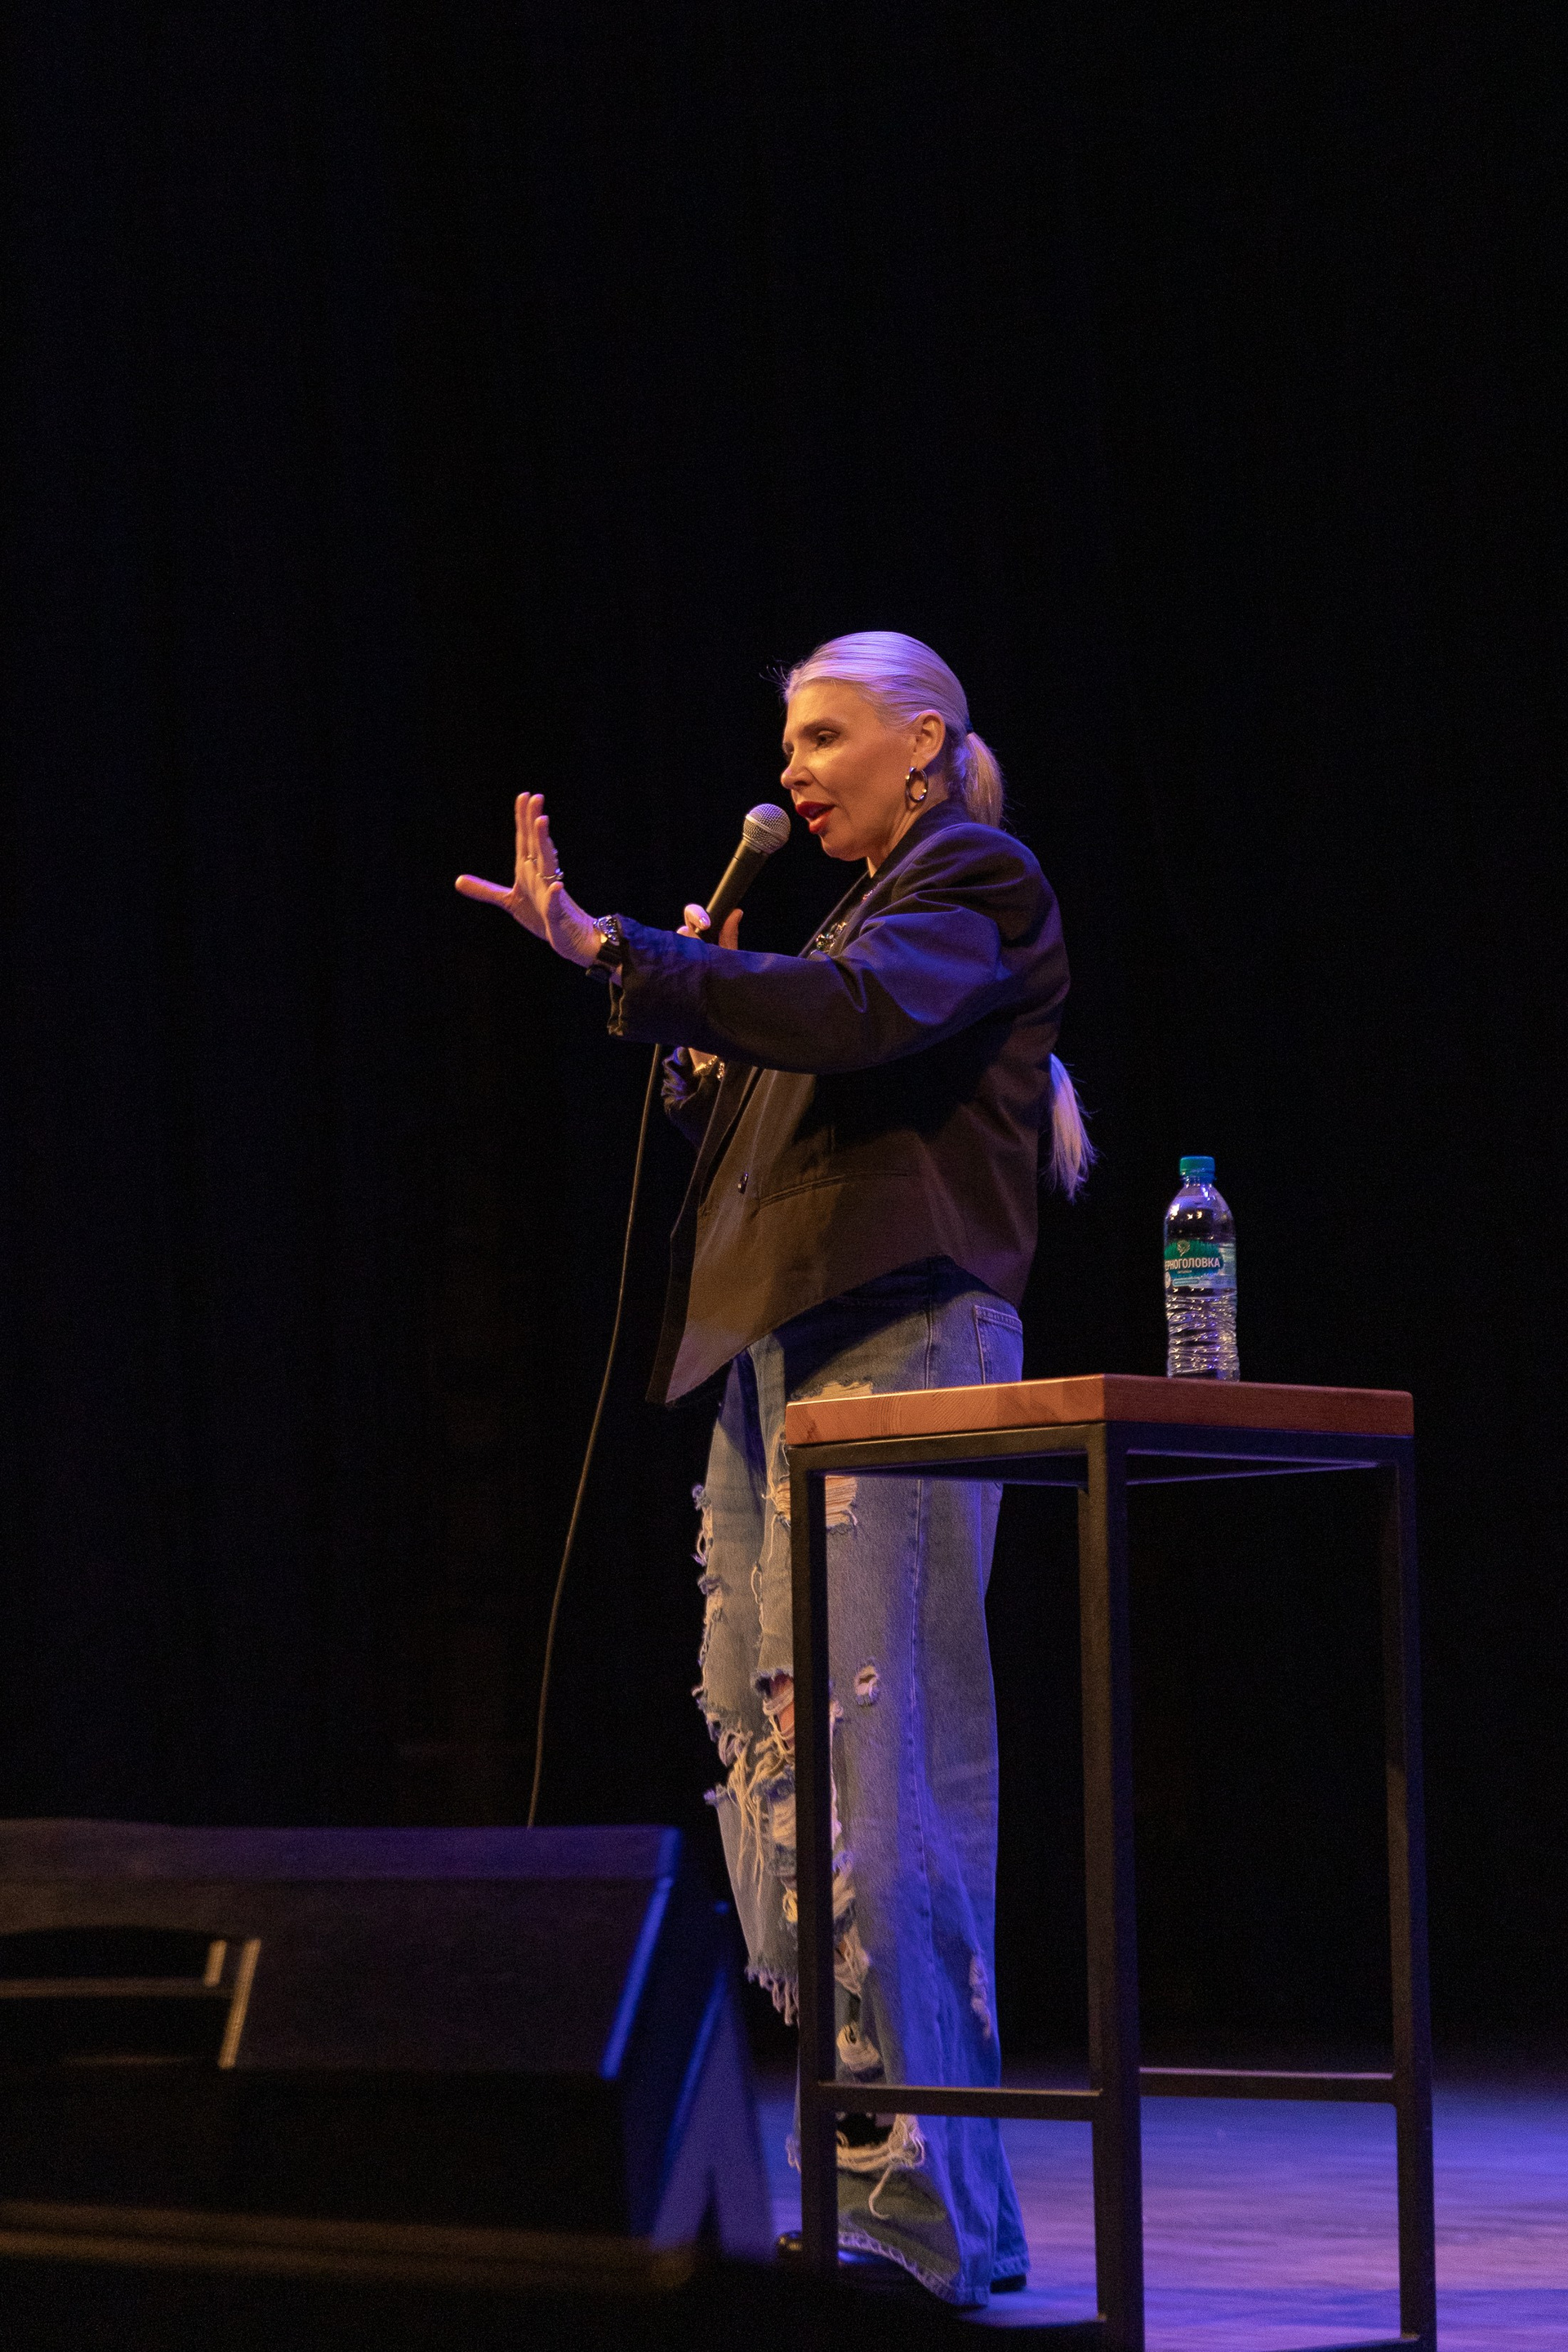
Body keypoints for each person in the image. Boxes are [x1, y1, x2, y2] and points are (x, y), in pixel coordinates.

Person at [456, 630, 1089, 2305]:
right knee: (776, 1759)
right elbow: (801, 1100)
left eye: (825, 737)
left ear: (924, 743)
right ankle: (872, 2179)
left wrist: (632, 952)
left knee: (883, 1773)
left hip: (900, 1342)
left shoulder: (976, 882)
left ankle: (925, 2213)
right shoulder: (849, 929)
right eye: (790, 742)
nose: (794, 771)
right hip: (779, 1355)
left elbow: (860, 1022)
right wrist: (700, 1060)